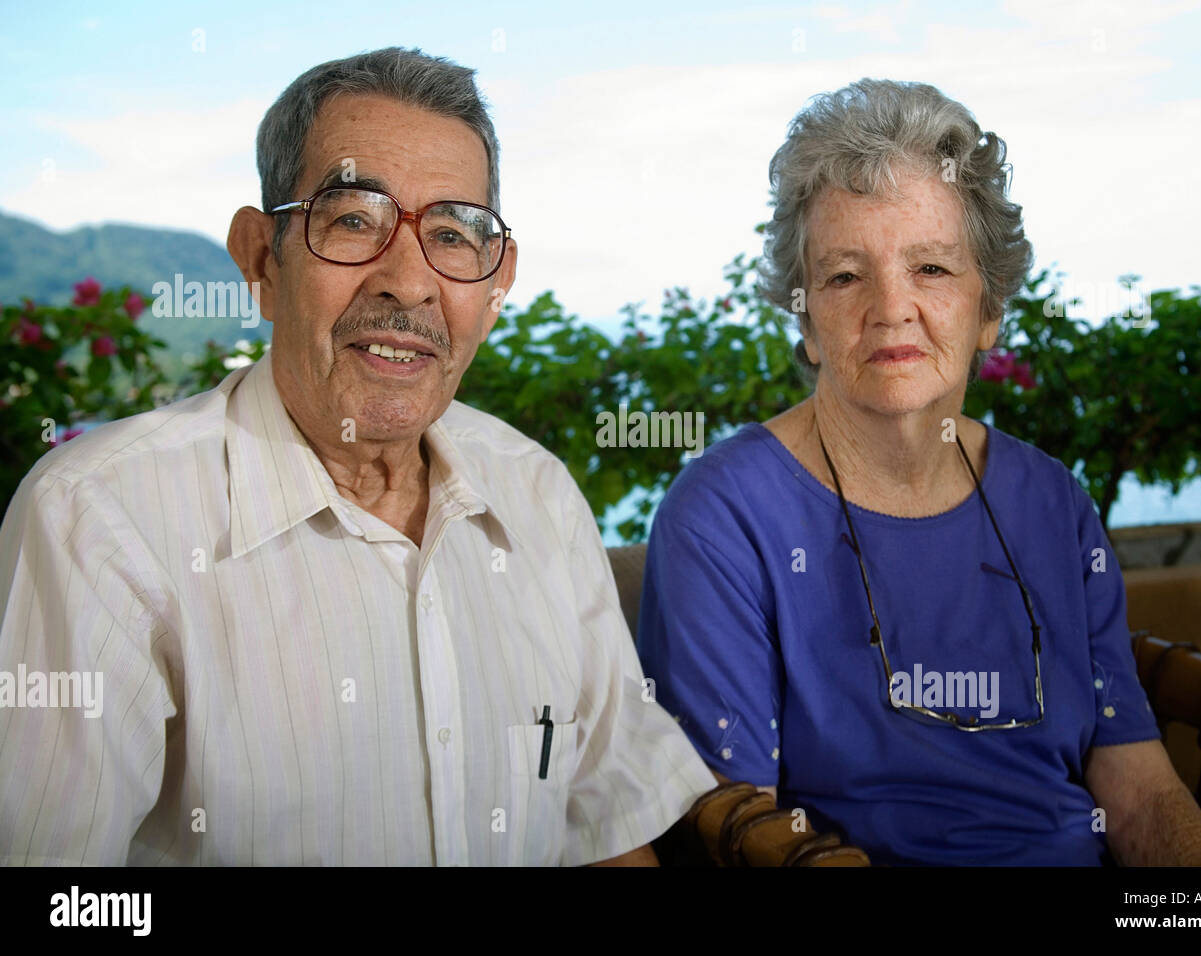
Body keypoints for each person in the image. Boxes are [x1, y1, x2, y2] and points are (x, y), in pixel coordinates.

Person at [0, 47, 715, 866]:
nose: (408, 283)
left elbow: (609, 833)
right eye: (352, 222)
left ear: (495, 281)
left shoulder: (538, 494)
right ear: (262, 259)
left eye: (452, 234)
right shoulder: (98, 522)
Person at [635, 78, 1201, 866]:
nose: (891, 307)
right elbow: (738, 830)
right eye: (845, 275)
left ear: (989, 311)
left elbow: (1135, 779)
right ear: (806, 321)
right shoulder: (724, 517)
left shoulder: (1052, 501)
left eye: (932, 269)